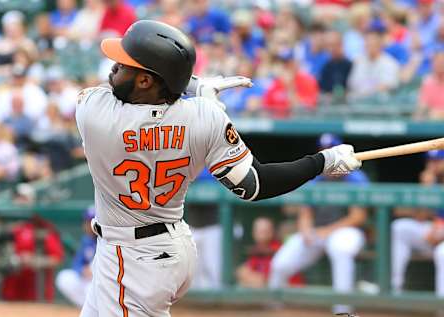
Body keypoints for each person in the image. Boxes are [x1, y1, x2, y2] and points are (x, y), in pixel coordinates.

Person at [75, 20, 362, 317]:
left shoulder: (95, 113)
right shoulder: (204, 116)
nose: (113, 70)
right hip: (172, 246)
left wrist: (195, 85)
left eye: (123, 66)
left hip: (133, 258)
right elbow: (256, 184)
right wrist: (321, 162)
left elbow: (105, 92)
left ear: (146, 81)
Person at [268, 134, 368, 314]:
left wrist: (326, 231)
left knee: (340, 249)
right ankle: (274, 306)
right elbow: (305, 212)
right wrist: (306, 230)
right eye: (323, 152)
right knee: (280, 264)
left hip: (347, 232)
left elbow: (357, 217)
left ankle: (342, 309)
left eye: (331, 152)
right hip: (319, 232)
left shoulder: (355, 178)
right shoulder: (316, 177)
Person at [391, 150, 444, 298]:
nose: (432, 165)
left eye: (438, 161)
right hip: (432, 233)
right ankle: (394, 288)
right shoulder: (430, 183)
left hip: (440, 236)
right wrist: (425, 190)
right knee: (400, 228)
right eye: (430, 161)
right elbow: (420, 216)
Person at [56, 206, 97, 307]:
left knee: (90, 288)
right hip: (88, 279)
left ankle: (96, 309)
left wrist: (95, 271)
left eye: (90, 221)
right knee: (64, 277)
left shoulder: (106, 240)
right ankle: (86, 307)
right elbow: (77, 262)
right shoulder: (87, 240)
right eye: (86, 221)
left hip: (102, 282)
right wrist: (82, 270)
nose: (87, 225)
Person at [262, 48, 319, 118]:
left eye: (288, 62)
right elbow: (265, 109)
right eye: (283, 63)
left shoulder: (308, 81)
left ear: (296, 63)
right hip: (278, 124)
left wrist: (289, 87)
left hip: (300, 125)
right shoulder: (275, 83)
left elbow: (306, 110)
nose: (286, 66)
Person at [348, 29, 400, 99]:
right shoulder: (359, 61)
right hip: (359, 100)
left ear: (380, 45)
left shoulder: (389, 63)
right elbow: (352, 83)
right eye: (367, 45)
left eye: (372, 45)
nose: (369, 47)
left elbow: (388, 85)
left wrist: (369, 92)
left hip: (380, 103)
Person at [236, 217, 282, 288]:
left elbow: (264, 280)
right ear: (254, 233)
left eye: (266, 231)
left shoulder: (278, 249)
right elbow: (243, 271)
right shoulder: (258, 249)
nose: (263, 234)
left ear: (272, 232)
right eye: (259, 231)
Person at [415, 51, 444, 120]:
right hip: (433, 119)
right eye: (437, 62)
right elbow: (422, 105)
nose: (439, 64)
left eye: (442, 62)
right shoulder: (427, 82)